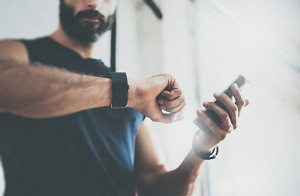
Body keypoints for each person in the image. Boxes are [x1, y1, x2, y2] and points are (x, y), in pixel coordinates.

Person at [0, 0, 249, 195]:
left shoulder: (130, 95)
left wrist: (202, 147)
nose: (95, 3)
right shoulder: (19, 53)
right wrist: (132, 93)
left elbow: (155, 187)